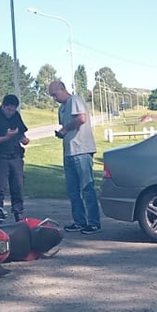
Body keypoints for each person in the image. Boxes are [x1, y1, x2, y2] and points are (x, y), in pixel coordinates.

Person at [47, 80, 101, 234]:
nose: (54, 98)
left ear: (62, 89)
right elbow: (66, 128)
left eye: (55, 94)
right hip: (69, 151)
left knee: (87, 187)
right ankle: (79, 221)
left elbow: (81, 119)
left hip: (82, 149)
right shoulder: (61, 108)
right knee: (72, 190)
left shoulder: (75, 100)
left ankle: (94, 222)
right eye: (52, 96)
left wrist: (65, 128)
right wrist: (62, 133)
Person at [0, 93, 29, 219]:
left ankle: (18, 215)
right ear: (3, 106)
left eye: (13, 110)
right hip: (1, 157)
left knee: (18, 187)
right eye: (9, 109)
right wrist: (6, 137)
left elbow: (21, 133)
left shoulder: (16, 116)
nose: (11, 113)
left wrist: (23, 139)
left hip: (16, 156)